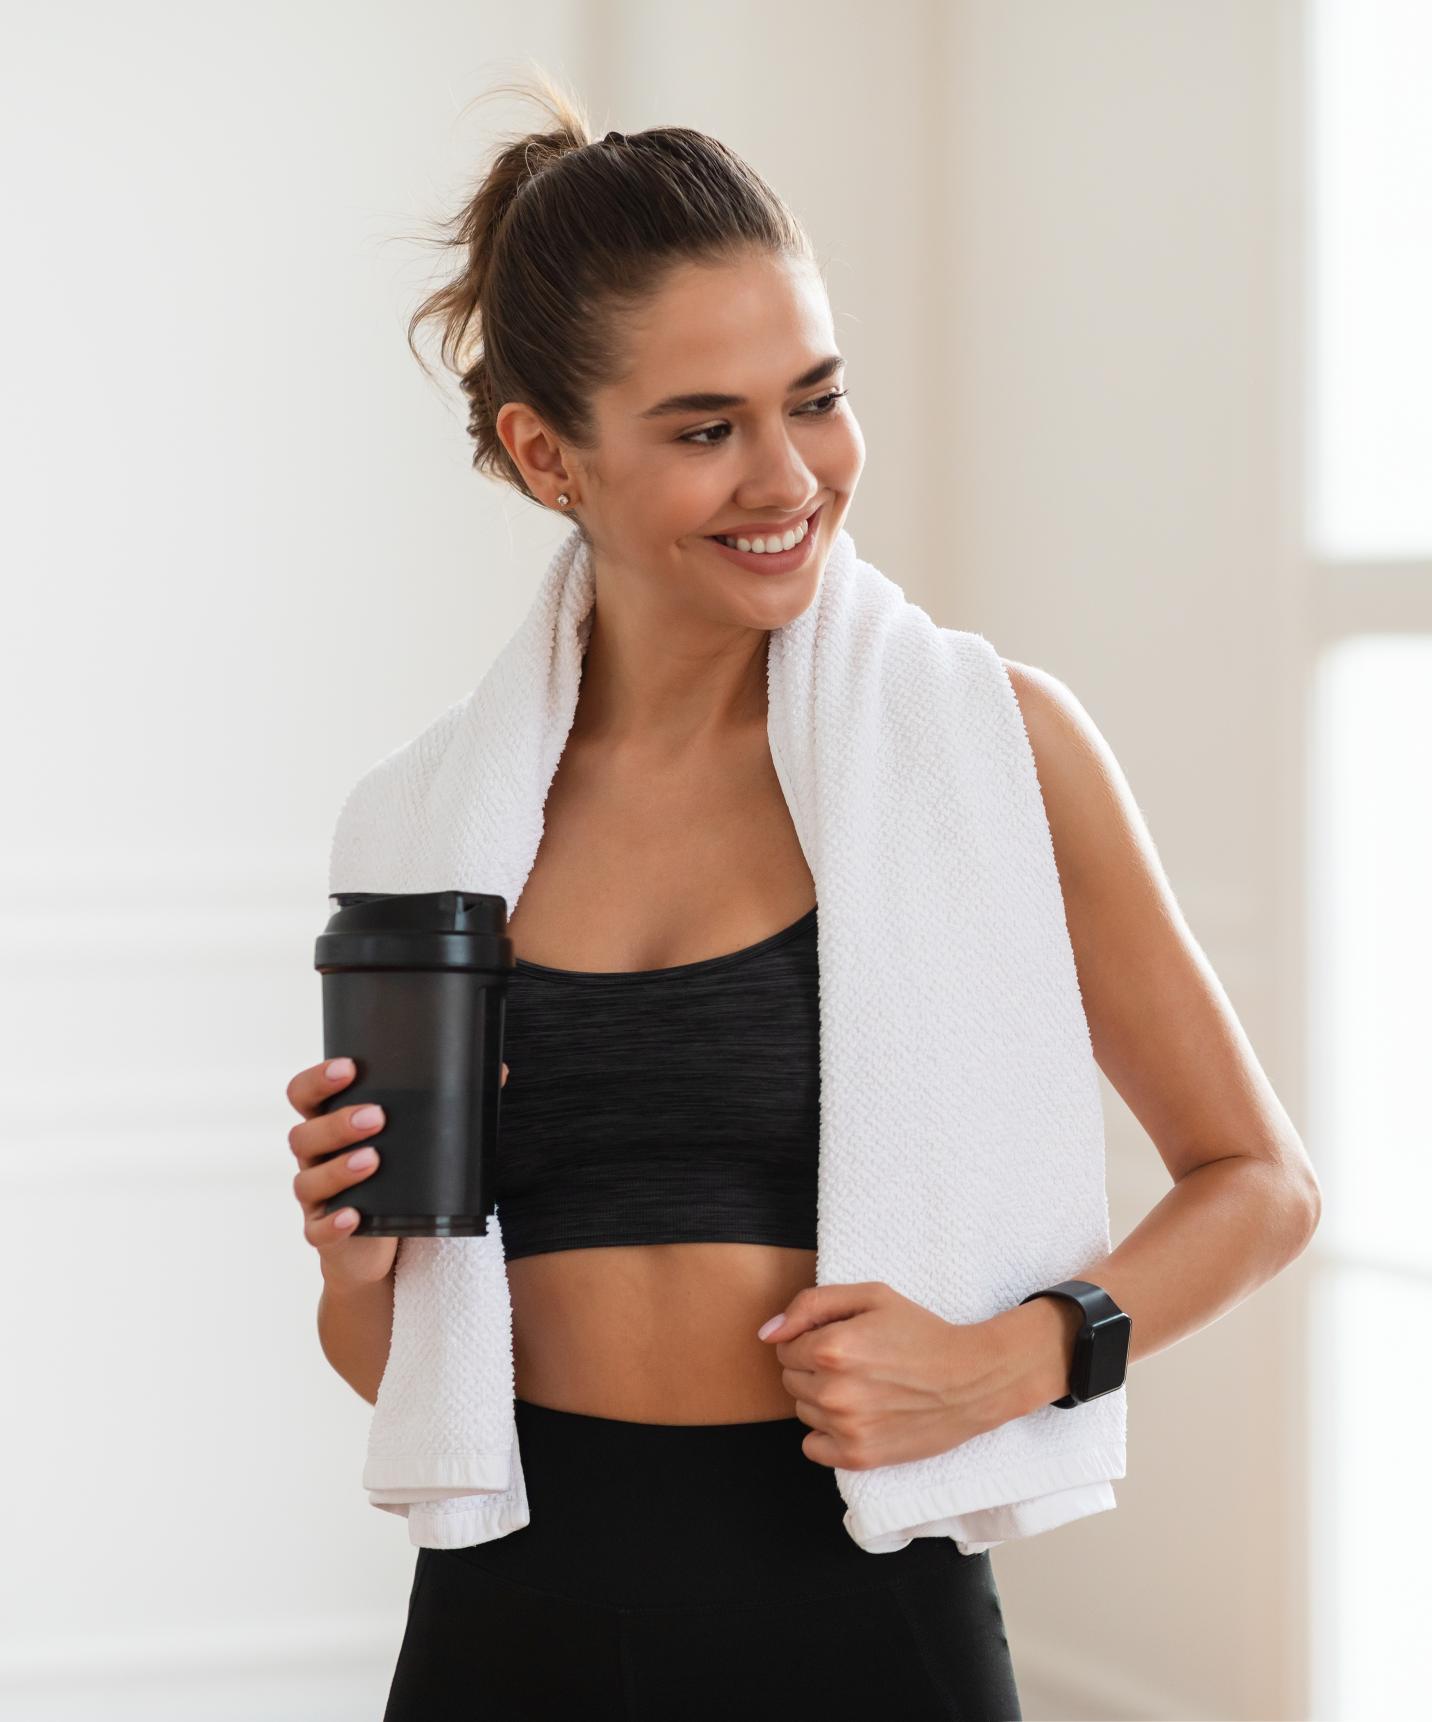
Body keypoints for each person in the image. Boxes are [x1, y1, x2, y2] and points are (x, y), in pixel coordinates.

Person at [285, 67, 1320, 1722]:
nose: (793, 476)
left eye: (816, 397)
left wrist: (1018, 1357)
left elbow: (1263, 1181)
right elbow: (404, 1372)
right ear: (547, 456)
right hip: (511, 1611)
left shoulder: (995, 745)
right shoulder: (431, 820)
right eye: (706, 428)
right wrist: (352, 1271)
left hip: (852, 1611)